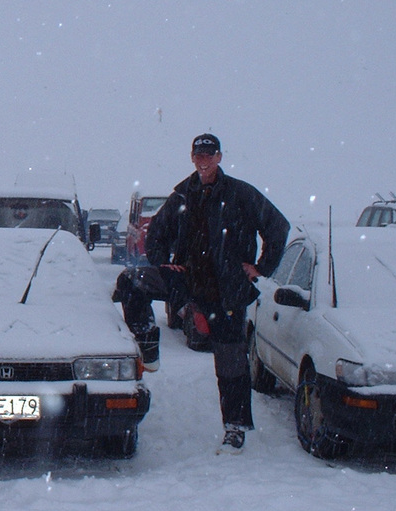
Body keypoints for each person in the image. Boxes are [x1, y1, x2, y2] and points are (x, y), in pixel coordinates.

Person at [116, 133, 289, 453]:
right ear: (192, 158)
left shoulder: (241, 194)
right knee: (131, 281)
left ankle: (235, 427)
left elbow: (278, 227)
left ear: (220, 157)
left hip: (227, 291)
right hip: (188, 280)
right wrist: (166, 264)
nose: (204, 161)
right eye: (199, 155)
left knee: (232, 363)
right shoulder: (182, 195)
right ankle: (147, 342)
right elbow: (156, 234)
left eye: (210, 155)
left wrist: (261, 267)